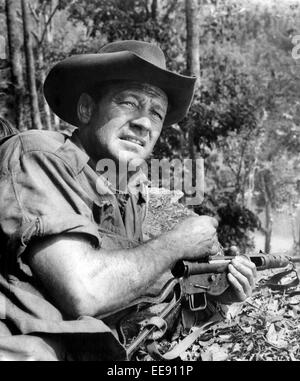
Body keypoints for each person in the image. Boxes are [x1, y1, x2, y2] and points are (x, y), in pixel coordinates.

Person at [0, 40, 256, 361]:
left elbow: (137, 315)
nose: (144, 123)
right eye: (130, 103)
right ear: (86, 109)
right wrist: (177, 242)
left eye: (156, 113)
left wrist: (218, 295)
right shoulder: (39, 155)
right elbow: (87, 292)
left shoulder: (127, 198)